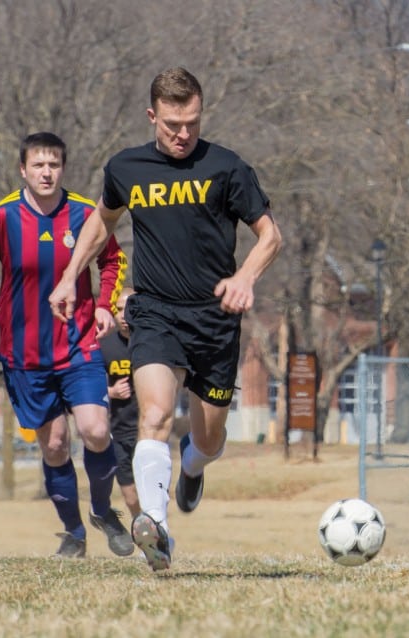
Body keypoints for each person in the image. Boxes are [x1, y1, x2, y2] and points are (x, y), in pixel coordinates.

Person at [49, 67, 282, 572]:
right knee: (154, 414)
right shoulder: (126, 168)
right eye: (173, 124)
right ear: (153, 115)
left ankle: (193, 466)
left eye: (193, 123)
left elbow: (270, 236)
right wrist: (70, 275)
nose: (183, 134)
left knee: (209, 438)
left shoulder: (227, 168)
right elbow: (101, 223)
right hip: (155, 312)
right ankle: (157, 528)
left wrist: (244, 278)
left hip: (216, 319)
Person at [0, 132, 135, 559]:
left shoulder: (84, 213)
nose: (46, 172)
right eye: (38, 164)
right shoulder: (2, 217)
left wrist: (107, 306)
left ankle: (101, 510)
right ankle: (74, 533)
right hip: (25, 355)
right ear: (23, 169)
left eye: (54, 164)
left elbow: (112, 260)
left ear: (63, 168)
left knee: (95, 430)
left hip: (79, 346)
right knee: (55, 444)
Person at [99, 286, 141, 519]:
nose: (125, 316)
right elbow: (89, 392)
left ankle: (161, 532)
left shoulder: (152, 344)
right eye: (120, 309)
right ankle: (145, 535)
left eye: (131, 309)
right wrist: (111, 392)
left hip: (149, 433)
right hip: (120, 432)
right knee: (131, 497)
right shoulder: (105, 347)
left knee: (153, 491)